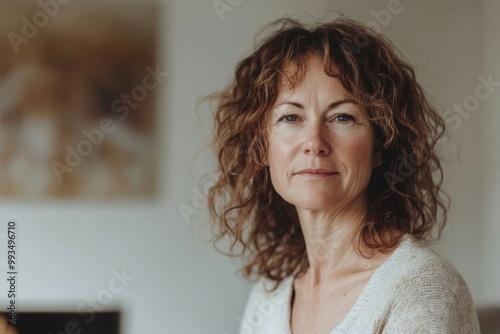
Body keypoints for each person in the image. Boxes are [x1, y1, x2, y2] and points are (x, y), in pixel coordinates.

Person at [206, 18, 480, 333]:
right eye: (291, 117)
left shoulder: (421, 289)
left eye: (342, 117)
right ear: (261, 147)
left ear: (381, 144)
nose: (314, 143)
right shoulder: (270, 296)